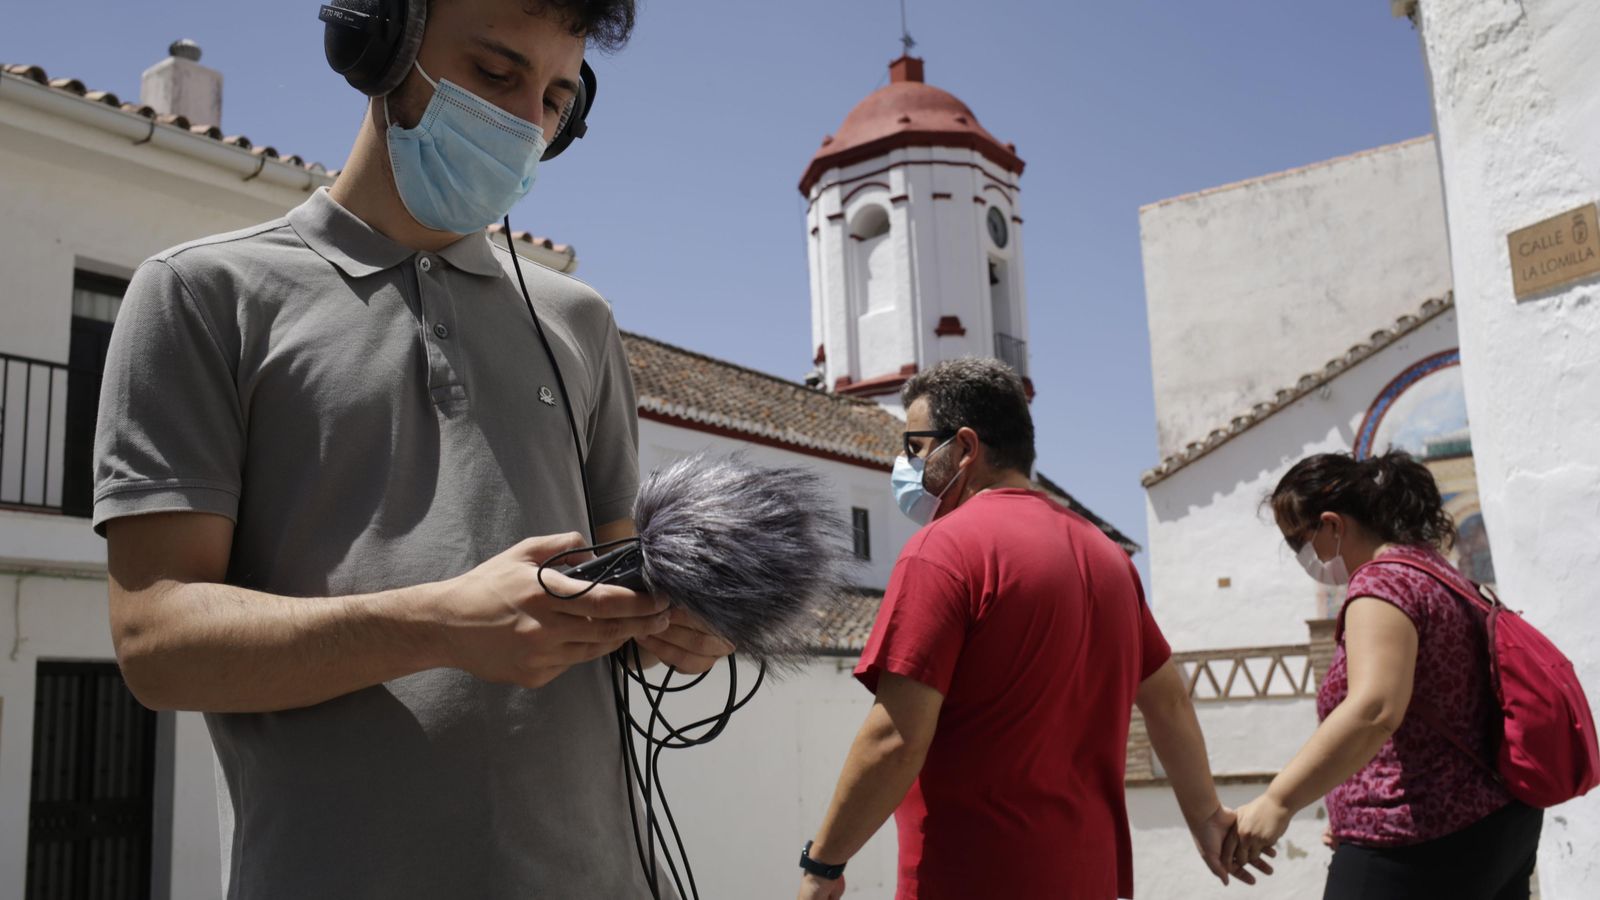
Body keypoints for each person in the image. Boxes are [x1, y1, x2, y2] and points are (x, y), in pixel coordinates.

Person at [94, 1, 732, 896]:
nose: (523, 125)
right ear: (378, 45)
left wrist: (672, 625)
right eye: (494, 74)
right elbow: (157, 641)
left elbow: (616, 606)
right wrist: (438, 624)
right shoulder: (200, 296)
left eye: (554, 97)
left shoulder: (580, 322)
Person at [795, 359, 1264, 900]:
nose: (907, 465)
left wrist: (823, 865)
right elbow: (1169, 703)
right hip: (1092, 878)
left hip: (973, 879)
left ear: (965, 448)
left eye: (916, 448)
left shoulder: (942, 551)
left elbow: (895, 738)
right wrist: (1206, 815)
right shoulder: (1109, 558)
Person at [1232, 450, 1541, 899]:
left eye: (1299, 540)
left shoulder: (1382, 583)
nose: (1301, 556)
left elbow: (1375, 710)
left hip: (1416, 842)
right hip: (1495, 825)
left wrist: (1277, 802)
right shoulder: (1437, 572)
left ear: (1334, 525)